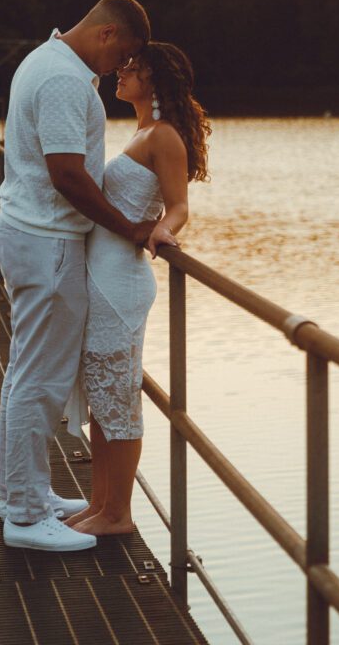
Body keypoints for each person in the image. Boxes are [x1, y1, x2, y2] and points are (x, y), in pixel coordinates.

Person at [0, 0, 157, 553]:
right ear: (108, 34)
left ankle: (28, 495)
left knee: (26, 373)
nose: (122, 69)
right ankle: (23, 514)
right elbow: (67, 174)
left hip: (30, 232)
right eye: (125, 55)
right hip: (49, 241)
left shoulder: (47, 59)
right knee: (38, 379)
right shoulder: (65, 80)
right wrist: (129, 227)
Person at [64, 41, 210, 536]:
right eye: (122, 66)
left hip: (121, 283)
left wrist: (165, 229)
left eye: (132, 68)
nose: (120, 74)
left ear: (154, 80)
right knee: (104, 400)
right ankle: (101, 503)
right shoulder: (142, 132)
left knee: (118, 398)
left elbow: (179, 205)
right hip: (103, 274)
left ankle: (118, 514)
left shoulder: (164, 136)